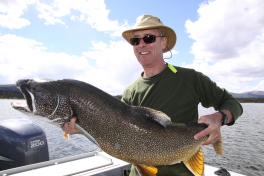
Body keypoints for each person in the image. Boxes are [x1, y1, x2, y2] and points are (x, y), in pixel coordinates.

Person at [62, 14, 243, 176]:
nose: (142, 44)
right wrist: (80, 129)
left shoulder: (191, 78)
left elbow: (231, 103)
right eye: (135, 41)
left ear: (163, 43)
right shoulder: (130, 92)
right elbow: (116, 134)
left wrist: (219, 117)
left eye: (148, 38)